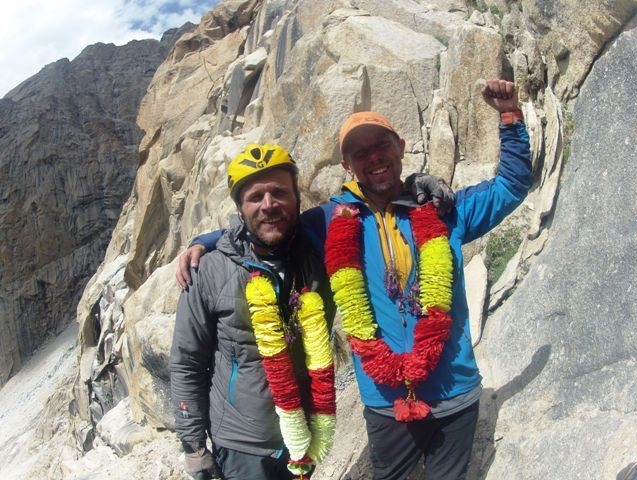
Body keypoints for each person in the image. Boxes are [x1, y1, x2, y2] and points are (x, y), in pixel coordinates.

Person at [177, 79, 532, 480]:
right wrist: (203, 242)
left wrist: (509, 116)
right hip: (384, 403)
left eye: (382, 145)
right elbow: (271, 224)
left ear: (400, 146)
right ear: (348, 166)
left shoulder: (444, 209)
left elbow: (511, 185)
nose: (374, 158)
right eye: (360, 153)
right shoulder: (330, 222)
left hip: (457, 392)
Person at [170, 144, 339, 480]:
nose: (268, 205)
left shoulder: (318, 253)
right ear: (239, 207)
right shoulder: (209, 271)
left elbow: (370, 205)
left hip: (303, 434)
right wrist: (194, 446)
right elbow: (187, 361)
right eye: (255, 196)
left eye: (279, 193)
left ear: (297, 199)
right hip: (242, 446)